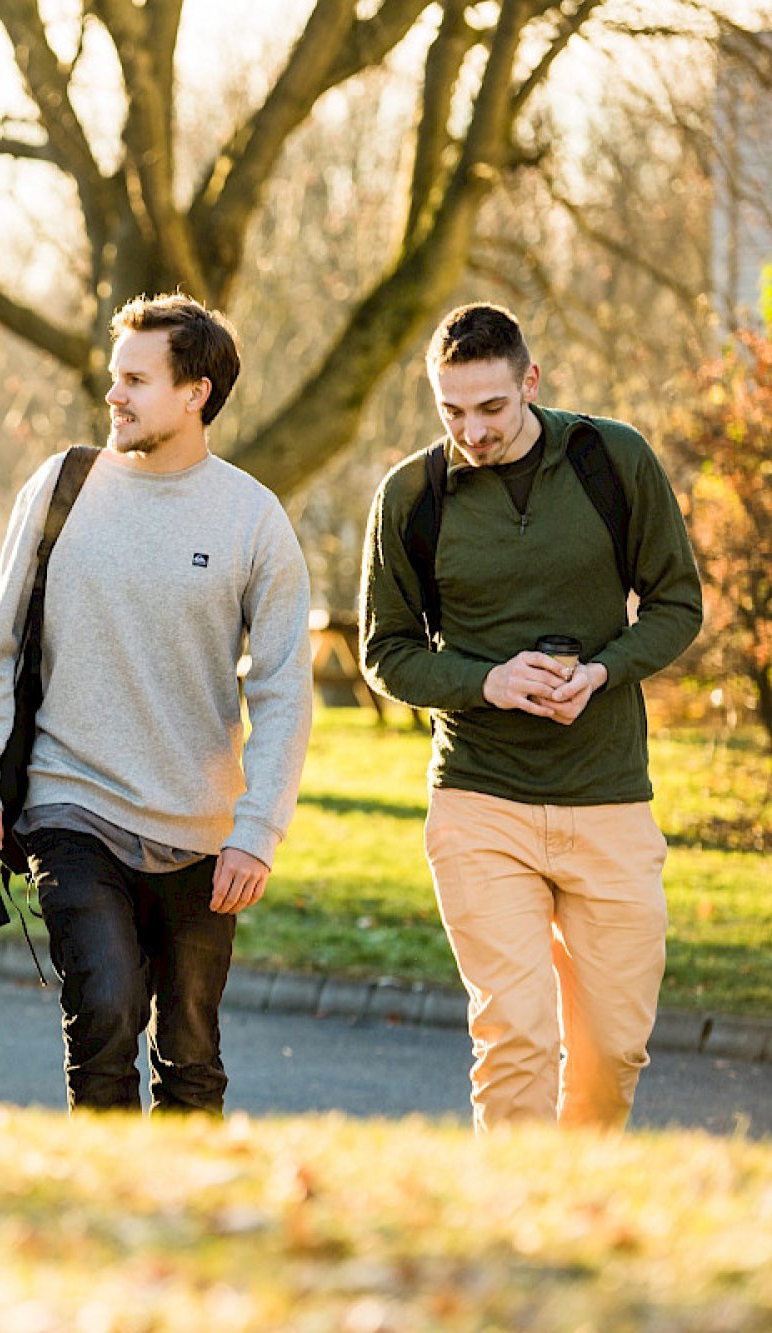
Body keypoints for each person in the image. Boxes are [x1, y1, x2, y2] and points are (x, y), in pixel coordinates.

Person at [0, 294, 313, 1114]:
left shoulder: (254, 518)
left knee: (190, 1052)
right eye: (116, 378)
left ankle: (190, 1223)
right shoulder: (63, 487)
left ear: (196, 393)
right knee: (104, 1013)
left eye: (137, 380)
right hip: (72, 804)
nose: (115, 396)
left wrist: (258, 830)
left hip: (202, 832)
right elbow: (0, 638)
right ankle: (101, 1209)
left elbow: (284, 689)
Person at [358, 302, 703, 1132]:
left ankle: (574, 1209)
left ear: (531, 383)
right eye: (451, 410)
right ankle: (513, 1227)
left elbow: (677, 602)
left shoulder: (611, 460)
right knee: (515, 1034)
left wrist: (601, 670)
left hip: (609, 792)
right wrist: (488, 682)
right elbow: (388, 651)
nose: (470, 430)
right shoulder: (412, 497)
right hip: (481, 799)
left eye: (491, 407)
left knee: (612, 1047)